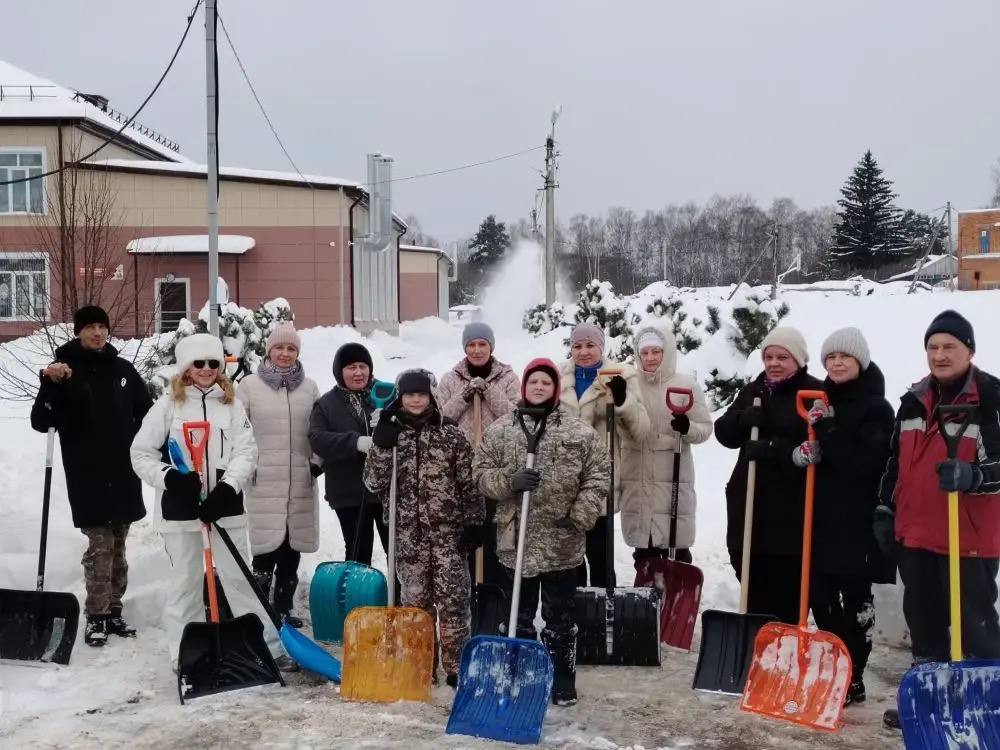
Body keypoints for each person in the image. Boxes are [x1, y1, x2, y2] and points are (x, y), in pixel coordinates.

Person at [130, 333, 292, 672]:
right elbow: (141, 454)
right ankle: (183, 653)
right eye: (199, 363)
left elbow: (246, 451)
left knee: (239, 579)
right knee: (185, 583)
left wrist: (228, 488)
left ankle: (266, 646)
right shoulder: (167, 406)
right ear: (186, 368)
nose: (206, 369)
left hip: (224, 508)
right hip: (180, 511)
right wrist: (171, 478)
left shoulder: (231, 405)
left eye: (213, 363)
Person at [877, 311, 1000, 730]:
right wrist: (885, 508)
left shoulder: (990, 400)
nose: (940, 355)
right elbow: (894, 463)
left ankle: (986, 708)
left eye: (950, 346)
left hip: (969, 540)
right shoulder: (913, 401)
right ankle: (929, 701)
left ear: (970, 351)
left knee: (976, 628)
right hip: (916, 536)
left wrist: (974, 476)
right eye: (933, 347)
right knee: (924, 624)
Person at [474, 358, 610, 706]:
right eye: (533, 381)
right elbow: (480, 473)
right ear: (524, 387)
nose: (539, 387)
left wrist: (580, 516)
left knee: (560, 619)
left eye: (546, 383)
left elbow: (598, 475)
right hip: (515, 540)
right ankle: (519, 678)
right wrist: (510, 482)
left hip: (560, 541)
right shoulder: (502, 430)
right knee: (516, 616)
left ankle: (562, 679)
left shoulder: (578, 432)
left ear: (555, 389)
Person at [30, 305, 152, 647]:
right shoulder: (64, 371)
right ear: (78, 332)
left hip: (123, 471)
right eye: (90, 327)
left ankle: (114, 611)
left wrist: (142, 445)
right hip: (87, 474)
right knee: (100, 546)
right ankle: (96, 616)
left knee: (119, 548)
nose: (97, 333)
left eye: (102, 326)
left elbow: (148, 414)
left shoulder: (123, 370)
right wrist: (50, 384)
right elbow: (41, 421)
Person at [362, 369, 483, 687]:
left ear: (431, 396)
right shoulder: (391, 435)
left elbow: (469, 483)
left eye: (422, 394)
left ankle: (456, 666)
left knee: (453, 602)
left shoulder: (451, 434)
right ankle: (420, 663)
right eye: (409, 394)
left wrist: (474, 521)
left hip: (448, 536)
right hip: (408, 536)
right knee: (415, 604)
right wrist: (381, 445)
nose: (416, 400)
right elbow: (373, 482)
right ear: (400, 398)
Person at [798, 327, 895, 707]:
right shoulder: (820, 402)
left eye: (845, 357)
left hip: (858, 521)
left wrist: (828, 430)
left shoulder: (877, 409)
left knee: (856, 600)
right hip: (822, 518)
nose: (837, 363)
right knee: (819, 596)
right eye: (831, 358)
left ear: (860, 361)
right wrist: (804, 453)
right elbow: (819, 452)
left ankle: (853, 675)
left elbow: (865, 464)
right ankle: (836, 661)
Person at [714, 326, 823, 625]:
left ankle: (783, 638)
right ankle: (757, 639)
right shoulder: (754, 391)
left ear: (798, 359)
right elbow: (724, 433)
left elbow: (820, 446)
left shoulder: (813, 394)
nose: (774, 363)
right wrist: (743, 419)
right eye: (769, 357)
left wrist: (775, 449)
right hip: (748, 505)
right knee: (749, 576)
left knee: (785, 588)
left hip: (789, 511)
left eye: (782, 357)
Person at [236, 323, 321, 627]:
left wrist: (316, 462)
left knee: (291, 548)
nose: (285, 354)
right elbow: (238, 430)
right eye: (279, 348)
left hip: (300, 479)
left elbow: (319, 429)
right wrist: (247, 466)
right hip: (264, 480)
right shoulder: (249, 386)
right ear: (269, 350)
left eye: (291, 348)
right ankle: (259, 612)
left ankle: (284, 608)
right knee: (264, 550)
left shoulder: (309, 387)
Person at [559, 322, 649, 587]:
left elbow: (640, 432)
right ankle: (573, 608)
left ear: (601, 346)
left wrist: (622, 402)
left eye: (590, 345)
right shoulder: (559, 377)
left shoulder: (622, 376)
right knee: (569, 560)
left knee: (600, 557)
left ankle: (603, 606)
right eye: (577, 346)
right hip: (564, 483)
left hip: (599, 482)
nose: (583, 351)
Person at [619, 324, 712, 569]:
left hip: (672, 476)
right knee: (645, 550)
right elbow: (620, 426)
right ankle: (646, 590)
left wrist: (687, 428)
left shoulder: (686, 385)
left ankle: (677, 589)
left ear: (667, 352)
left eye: (656, 351)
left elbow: (705, 428)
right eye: (644, 352)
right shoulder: (630, 384)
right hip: (638, 476)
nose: (650, 358)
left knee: (677, 547)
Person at [436, 321, 520, 587]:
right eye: (471, 345)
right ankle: (469, 587)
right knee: (467, 532)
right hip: (461, 469)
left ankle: (494, 590)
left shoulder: (508, 378)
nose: (476, 350)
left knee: (494, 534)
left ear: (491, 347)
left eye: (482, 344)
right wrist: (465, 394)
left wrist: (487, 390)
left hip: (496, 467)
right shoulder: (450, 379)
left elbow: (515, 416)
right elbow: (440, 418)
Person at [309, 342, 388, 565]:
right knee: (358, 549)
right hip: (348, 491)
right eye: (351, 367)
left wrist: (391, 421)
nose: (358, 372)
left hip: (386, 491)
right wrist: (355, 442)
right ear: (339, 371)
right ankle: (357, 588)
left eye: (363, 366)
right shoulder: (327, 404)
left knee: (397, 551)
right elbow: (317, 439)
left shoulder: (386, 394)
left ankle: (399, 588)